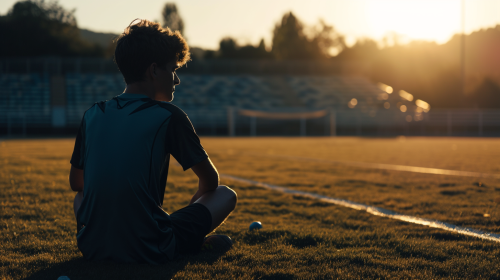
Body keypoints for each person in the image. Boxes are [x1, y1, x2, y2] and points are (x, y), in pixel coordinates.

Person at [68, 19, 237, 264]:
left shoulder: (92, 113)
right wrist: (191, 218)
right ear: (154, 70)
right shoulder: (168, 116)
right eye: (173, 69)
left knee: (80, 195)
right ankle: (185, 240)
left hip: (92, 247)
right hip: (150, 246)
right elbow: (211, 181)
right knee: (226, 195)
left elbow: (76, 183)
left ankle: (102, 237)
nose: (176, 79)